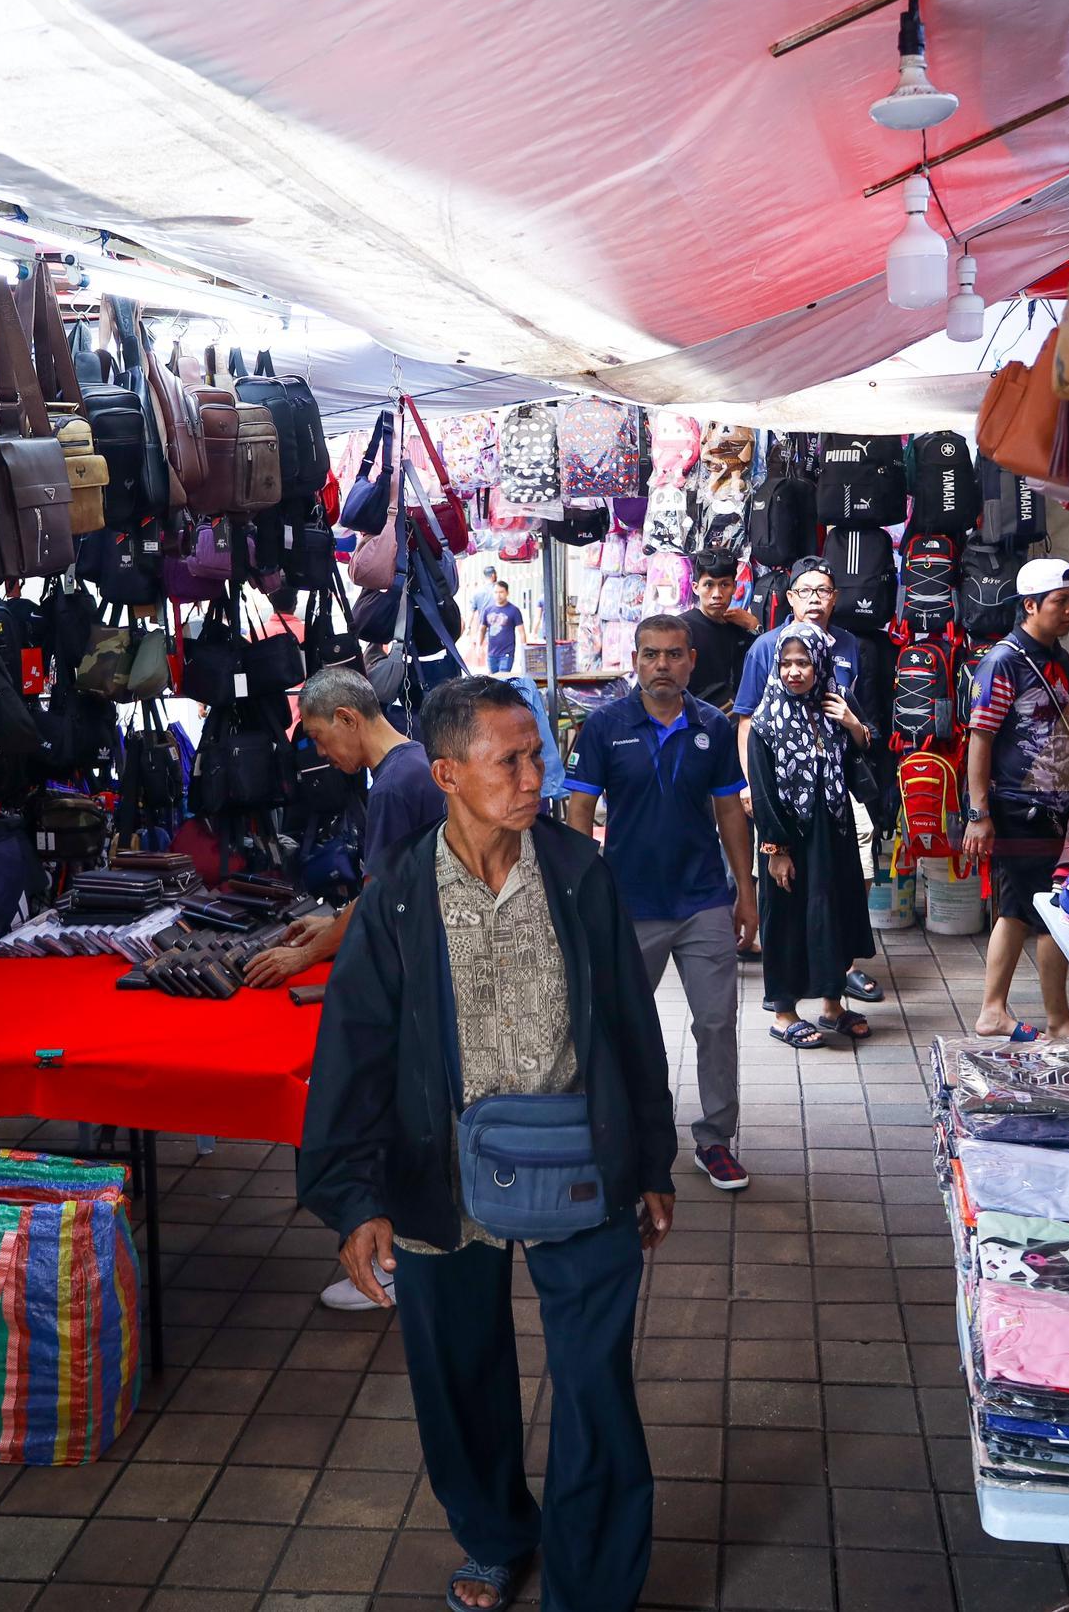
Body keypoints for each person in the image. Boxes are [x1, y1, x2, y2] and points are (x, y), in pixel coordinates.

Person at [298, 674, 675, 1612]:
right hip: (440, 1174)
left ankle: (589, 1586)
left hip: (580, 1165)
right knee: (458, 1375)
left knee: (594, 1387)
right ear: (449, 775)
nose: (530, 773)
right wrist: (356, 1200)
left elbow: (632, 1028)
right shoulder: (395, 899)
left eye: (535, 753)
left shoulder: (580, 875)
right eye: (507, 759)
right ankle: (496, 1533)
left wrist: (652, 1164)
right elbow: (354, 1055)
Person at [245, 667, 451, 1311]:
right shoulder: (413, 764)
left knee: (389, 1115)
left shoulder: (395, 783)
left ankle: (390, 1260)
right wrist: (325, 925)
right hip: (425, 959)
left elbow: (377, 899)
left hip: (414, 969)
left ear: (348, 719)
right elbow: (371, 897)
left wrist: (304, 950)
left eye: (319, 737)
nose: (321, 754)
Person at [564, 613, 758, 1189]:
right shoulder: (603, 727)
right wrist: (581, 890)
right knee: (616, 1024)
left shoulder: (714, 728)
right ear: (636, 660)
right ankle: (616, 1132)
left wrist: (745, 894)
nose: (662, 666)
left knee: (717, 1023)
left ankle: (715, 1140)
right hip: (627, 903)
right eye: (651, 655)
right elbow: (579, 812)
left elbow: (729, 812)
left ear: (691, 661)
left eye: (674, 655)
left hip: (703, 900)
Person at [730, 557, 884, 1005]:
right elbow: (748, 724)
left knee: (835, 899)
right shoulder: (766, 672)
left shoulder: (848, 653)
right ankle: (785, 1004)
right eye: (805, 591)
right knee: (790, 904)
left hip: (831, 813)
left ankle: (836, 987)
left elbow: (863, 740)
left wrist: (853, 723)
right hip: (786, 816)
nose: (795, 671)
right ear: (790, 597)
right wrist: (754, 794)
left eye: (824, 591)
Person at [957, 557, 1069, 1039]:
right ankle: (1057, 1018)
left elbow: (1067, 724)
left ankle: (994, 1011)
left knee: (1017, 910)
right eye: (1060, 602)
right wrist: (978, 813)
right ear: (1030, 605)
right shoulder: (1004, 661)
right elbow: (981, 738)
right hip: (1018, 807)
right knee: (1051, 911)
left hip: (1058, 806)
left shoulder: (1060, 657)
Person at [745, 624, 877, 1048]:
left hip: (832, 830)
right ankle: (783, 1013)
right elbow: (763, 792)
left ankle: (832, 1006)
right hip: (790, 837)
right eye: (786, 663)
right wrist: (776, 849)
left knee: (831, 915)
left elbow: (863, 756)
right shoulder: (767, 720)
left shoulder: (835, 705)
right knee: (786, 919)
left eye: (803, 662)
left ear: (819, 662)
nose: (794, 672)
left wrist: (854, 724)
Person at [680, 546, 757, 708]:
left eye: (724, 584)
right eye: (708, 585)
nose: (717, 594)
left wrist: (754, 627)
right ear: (695, 588)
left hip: (736, 721)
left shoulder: (740, 628)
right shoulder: (681, 630)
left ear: (734, 587)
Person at [479, 580, 524, 674]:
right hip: (491, 653)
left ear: (507, 593)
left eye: (501, 592)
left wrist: (524, 652)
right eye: (496, 592)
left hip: (507, 653)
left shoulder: (514, 610)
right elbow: (482, 629)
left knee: (503, 677)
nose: (498, 595)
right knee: (493, 679)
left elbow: (522, 632)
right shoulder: (488, 610)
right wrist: (479, 645)